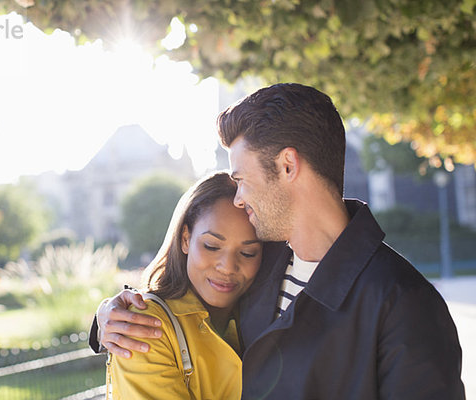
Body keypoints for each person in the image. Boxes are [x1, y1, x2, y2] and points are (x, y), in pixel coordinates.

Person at [92, 83, 465, 399]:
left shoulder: (404, 303)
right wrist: (108, 316)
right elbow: (192, 315)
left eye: (241, 178)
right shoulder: (260, 263)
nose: (238, 198)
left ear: (287, 166)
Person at [106, 171, 263, 399]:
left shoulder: (272, 309)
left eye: (248, 252)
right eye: (211, 246)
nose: (228, 267)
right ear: (186, 239)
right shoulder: (144, 326)